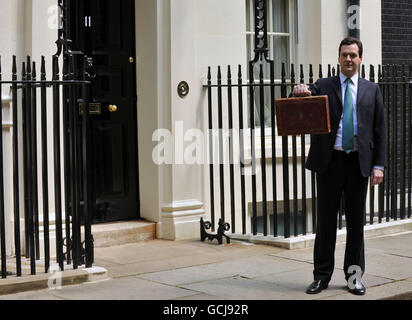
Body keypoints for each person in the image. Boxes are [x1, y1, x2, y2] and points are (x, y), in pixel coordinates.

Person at [292, 37, 387, 296]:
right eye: (344, 54)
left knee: (356, 224)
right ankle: (321, 277)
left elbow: (380, 130)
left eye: (353, 55)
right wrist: (298, 91)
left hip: (358, 164)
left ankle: (354, 277)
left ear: (360, 59)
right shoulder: (324, 84)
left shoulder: (371, 90)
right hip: (329, 163)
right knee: (325, 224)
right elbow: (301, 99)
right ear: (338, 58)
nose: (348, 59)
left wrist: (379, 166)